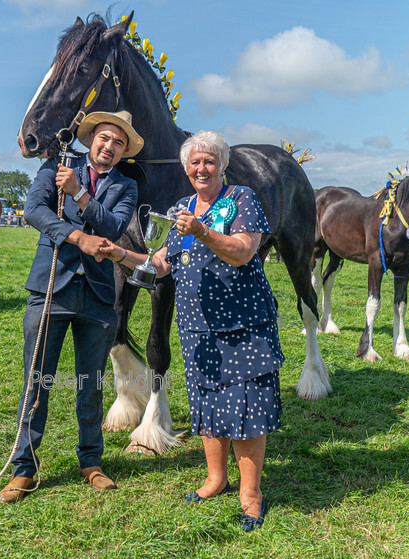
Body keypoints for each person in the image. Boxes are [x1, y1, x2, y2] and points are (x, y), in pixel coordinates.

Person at [100, 131, 283, 531]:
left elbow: (243, 251)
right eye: (195, 163)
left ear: (222, 164)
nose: (202, 168)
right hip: (198, 328)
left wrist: (201, 231)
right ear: (186, 169)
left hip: (242, 323)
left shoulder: (241, 199)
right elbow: (161, 263)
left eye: (209, 161)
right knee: (208, 404)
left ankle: (251, 493)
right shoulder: (182, 206)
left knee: (246, 407)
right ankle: (215, 478)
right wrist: (118, 254)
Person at [0, 110, 143, 503]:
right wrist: (77, 236)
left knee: (91, 384)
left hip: (98, 296)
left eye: (118, 142)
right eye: (104, 137)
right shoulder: (57, 165)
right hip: (51, 288)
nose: (109, 146)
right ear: (91, 137)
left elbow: (113, 228)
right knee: (38, 380)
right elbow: (34, 211)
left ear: (124, 150)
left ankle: (92, 462)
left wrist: (80, 193)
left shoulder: (127, 187)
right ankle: (24, 469)